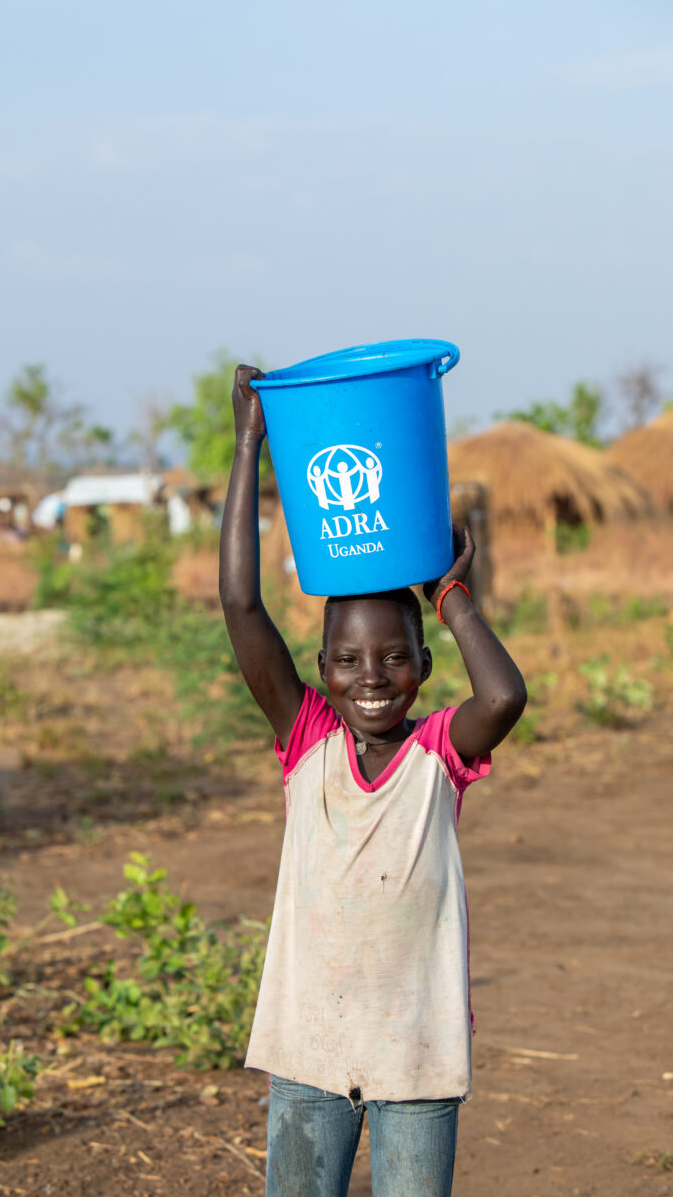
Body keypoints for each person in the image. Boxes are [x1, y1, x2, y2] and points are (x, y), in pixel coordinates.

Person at [219, 365, 527, 1197]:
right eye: (348, 660)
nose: (373, 676)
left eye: (396, 656)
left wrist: (453, 594)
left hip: (416, 1059)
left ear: (424, 665)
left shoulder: (438, 754)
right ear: (319, 671)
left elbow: (503, 695)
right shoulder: (307, 740)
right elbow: (243, 607)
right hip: (309, 1051)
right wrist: (252, 442)